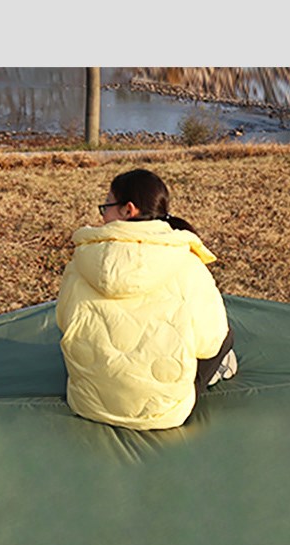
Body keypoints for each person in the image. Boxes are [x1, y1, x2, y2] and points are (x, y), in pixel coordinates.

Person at [55, 168, 237, 431]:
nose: (102, 215)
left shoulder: (81, 261)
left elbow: (63, 322)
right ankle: (219, 372)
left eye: (105, 207)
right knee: (226, 335)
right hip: (165, 413)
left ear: (128, 210)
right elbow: (209, 343)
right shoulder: (187, 263)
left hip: (88, 404)